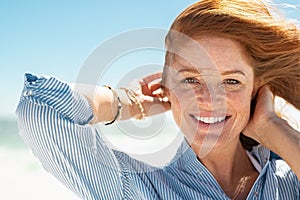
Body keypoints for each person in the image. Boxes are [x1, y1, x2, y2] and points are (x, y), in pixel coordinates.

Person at [16, 0, 300, 199]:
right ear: (167, 87)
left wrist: (274, 128)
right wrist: (126, 102)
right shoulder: (137, 188)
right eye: (190, 79)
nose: (209, 99)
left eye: (231, 81)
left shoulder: (290, 179)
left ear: (257, 88)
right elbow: (39, 108)